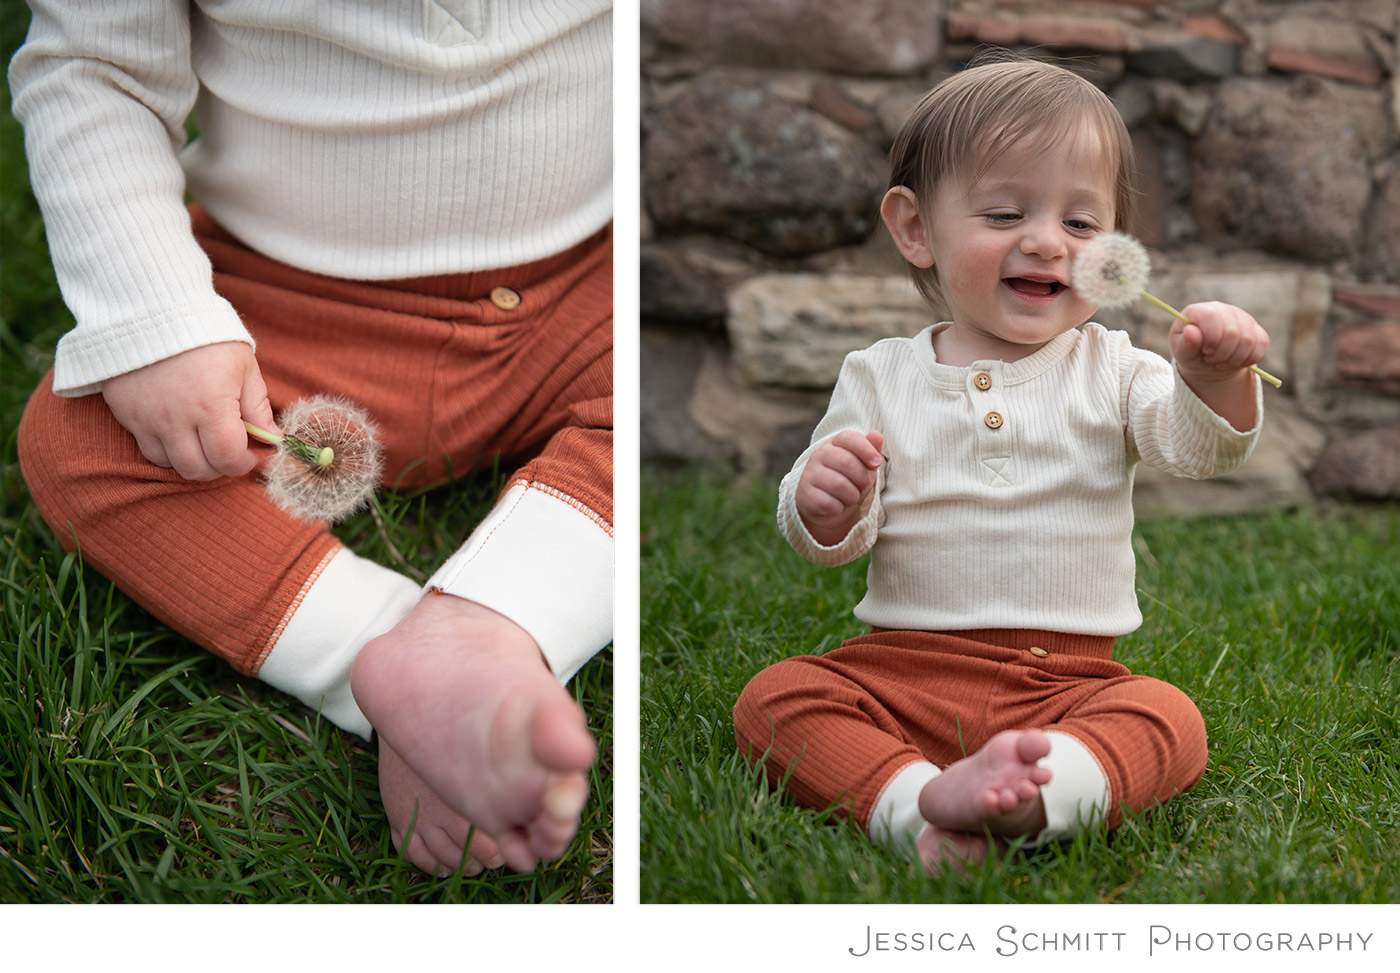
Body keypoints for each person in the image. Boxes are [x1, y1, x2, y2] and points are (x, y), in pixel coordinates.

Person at [10, 0, 612, 879]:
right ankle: (387, 653)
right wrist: (158, 319)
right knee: (81, 429)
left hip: (578, 288)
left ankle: (496, 623)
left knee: (651, 404)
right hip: (295, 302)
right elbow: (98, 71)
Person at [731, 54, 1269, 873]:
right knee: (775, 699)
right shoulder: (878, 375)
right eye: (1004, 211)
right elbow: (831, 539)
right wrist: (822, 500)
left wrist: (1213, 379)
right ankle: (915, 806)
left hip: (1068, 687)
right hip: (900, 672)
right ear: (916, 229)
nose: (1048, 240)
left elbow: (1197, 446)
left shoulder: (1116, 367)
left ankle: (1041, 797)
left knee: (1167, 715)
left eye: (1082, 225)